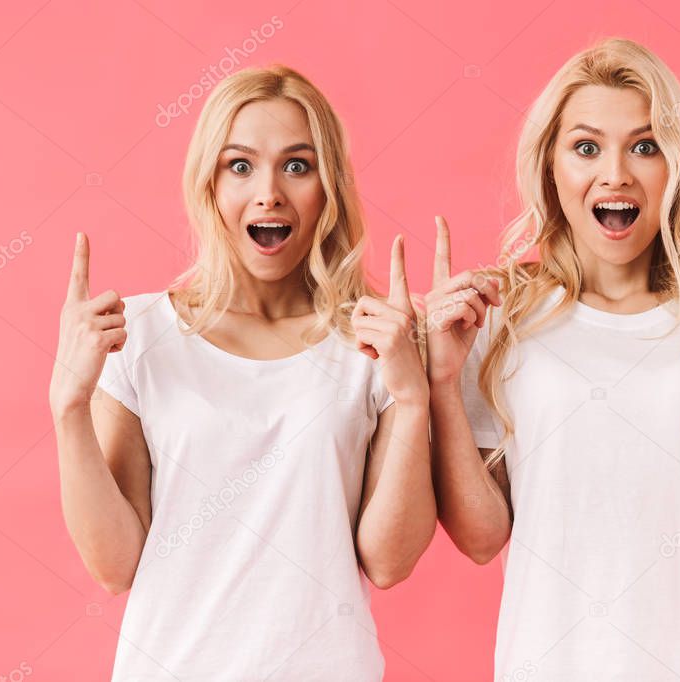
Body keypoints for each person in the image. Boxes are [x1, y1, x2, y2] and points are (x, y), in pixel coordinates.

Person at [425, 38, 680, 680]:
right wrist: (442, 385)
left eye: (645, 146)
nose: (615, 174)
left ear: (677, 164)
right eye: (587, 147)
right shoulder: (499, 317)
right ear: (552, 167)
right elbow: (481, 538)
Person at [48, 65, 435, 681]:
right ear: (209, 184)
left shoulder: (368, 346)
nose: (269, 193)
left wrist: (414, 399)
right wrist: (69, 409)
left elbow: (388, 563)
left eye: (298, 165)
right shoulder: (141, 335)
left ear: (328, 189)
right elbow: (116, 566)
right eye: (240, 165)